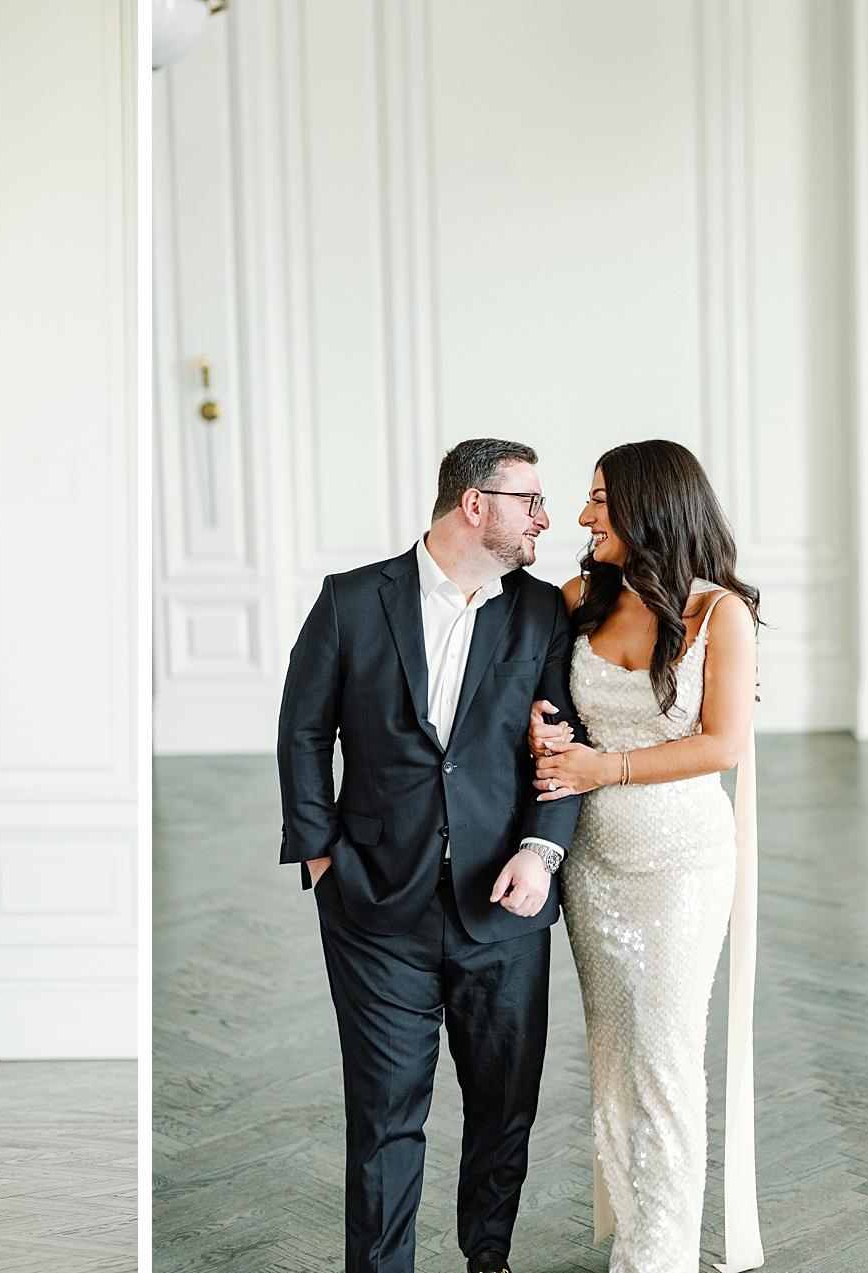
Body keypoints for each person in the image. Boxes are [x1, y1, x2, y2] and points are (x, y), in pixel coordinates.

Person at [277, 439, 584, 1273]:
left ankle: (489, 1258)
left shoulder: (542, 612)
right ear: (475, 504)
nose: (545, 518)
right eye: (530, 500)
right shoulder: (351, 600)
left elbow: (566, 742)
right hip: (374, 905)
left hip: (505, 904)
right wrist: (320, 857)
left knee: (503, 1107)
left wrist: (541, 851)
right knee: (383, 1115)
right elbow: (304, 730)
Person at [527, 439, 763, 1272]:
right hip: (594, 862)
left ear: (648, 507)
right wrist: (536, 725)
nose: (583, 515)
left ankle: (659, 1257)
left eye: (599, 500)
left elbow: (722, 744)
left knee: (666, 1055)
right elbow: (537, 698)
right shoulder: (576, 599)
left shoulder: (719, 613)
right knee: (614, 1057)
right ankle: (635, 1231)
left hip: (683, 864)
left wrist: (605, 767)